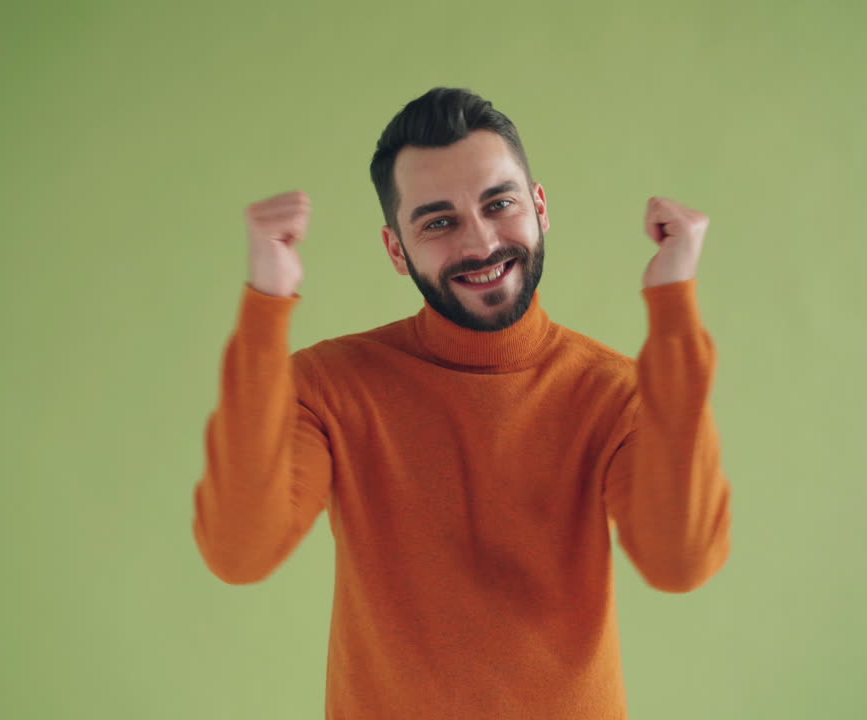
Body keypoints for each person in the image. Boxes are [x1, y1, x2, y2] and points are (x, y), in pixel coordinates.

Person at [192, 86, 732, 719]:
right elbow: (240, 551)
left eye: (499, 204)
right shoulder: (328, 388)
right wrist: (265, 307)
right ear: (397, 250)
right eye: (438, 222)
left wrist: (674, 306)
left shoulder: (616, 393)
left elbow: (681, 561)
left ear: (539, 207)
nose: (480, 243)